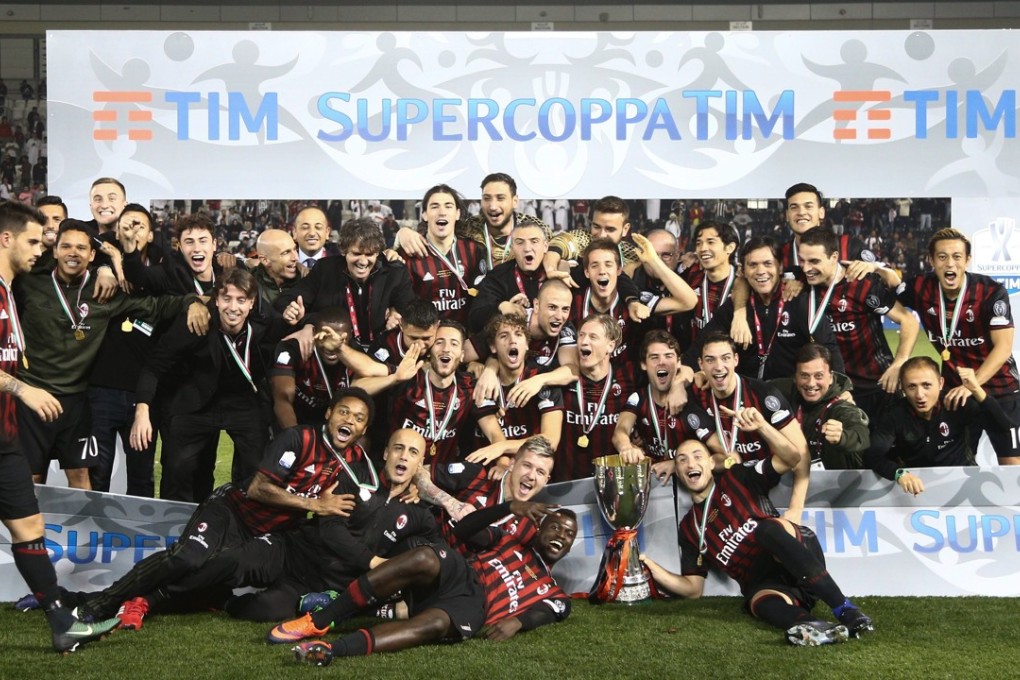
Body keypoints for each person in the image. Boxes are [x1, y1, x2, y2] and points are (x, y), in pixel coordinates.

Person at [50, 388, 375, 627]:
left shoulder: (355, 464)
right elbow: (258, 488)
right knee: (187, 558)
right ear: (330, 412)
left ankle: (140, 602)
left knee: (215, 573)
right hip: (232, 511)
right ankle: (101, 603)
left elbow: (363, 498)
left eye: (359, 418)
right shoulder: (298, 439)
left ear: (363, 430)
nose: (350, 420)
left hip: (272, 533)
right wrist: (313, 504)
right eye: (344, 411)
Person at [113, 428, 435, 625]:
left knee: (263, 610)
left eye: (412, 452)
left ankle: (220, 599)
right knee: (231, 562)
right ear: (385, 452)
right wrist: (373, 562)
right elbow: (330, 530)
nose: (403, 457)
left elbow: (429, 550)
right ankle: (150, 598)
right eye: (398, 448)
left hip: (315, 586)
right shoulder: (356, 478)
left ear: (421, 464)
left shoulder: (418, 511)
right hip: (291, 551)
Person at [0, 201, 120, 652]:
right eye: (34, 241)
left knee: (28, 524)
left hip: (5, 437)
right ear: (6, 239)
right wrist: (21, 389)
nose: (42, 249)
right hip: (10, 418)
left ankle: (60, 622)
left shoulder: (11, 290)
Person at [14, 220, 201, 489]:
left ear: (92, 255)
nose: (73, 253)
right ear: (54, 251)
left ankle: (84, 532)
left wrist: (191, 301)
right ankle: (30, 531)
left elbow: (156, 306)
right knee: (31, 477)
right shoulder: (29, 284)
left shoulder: (105, 292)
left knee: (81, 476)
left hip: (76, 399)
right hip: (33, 395)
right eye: (65, 246)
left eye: (81, 248)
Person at [640, 439, 873, 647]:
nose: (691, 464)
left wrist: (761, 425)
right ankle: (816, 627)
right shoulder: (688, 528)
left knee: (767, 529)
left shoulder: (737, 477)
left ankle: (845, 610)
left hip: (793, 554)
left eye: (697, 456)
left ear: (712, 463)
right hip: (769, 585)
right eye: (682, 460)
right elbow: (692, 589)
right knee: (757, 602)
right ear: (678, 472)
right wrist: (653, 568)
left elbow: (791, 458)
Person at [280, 501, 577, 662]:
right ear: (539, 529)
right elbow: (463, 531)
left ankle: (333, 650)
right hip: (460, 574)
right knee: (424, 556)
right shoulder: (510, 541)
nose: (561, 536)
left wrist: (519, 622)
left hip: (472, 608)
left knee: (431, 626)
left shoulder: (554, 592)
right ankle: (321, 619)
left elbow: (547, 612)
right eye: (555, 527)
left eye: (568, 534)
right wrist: (507, 507)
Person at [129, 268, 288, 501]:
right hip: (195, 402)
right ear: (216, 300)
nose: (233, 308)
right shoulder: (196, 322)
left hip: (243, 402)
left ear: (252, 303)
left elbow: (294, 331)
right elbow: (155, 366)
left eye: (241, 300)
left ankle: (244, 525)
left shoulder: (266, 324)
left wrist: (304, 329)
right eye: (226, 299)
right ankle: (175, 528)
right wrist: (142, 410)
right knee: (178, 468)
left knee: (257, 468)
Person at [896, 228, 1020, 465]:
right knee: (953, 464)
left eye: (956, 257)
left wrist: (972, 384)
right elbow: (889, 288)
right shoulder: (921, 287)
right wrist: (876, 268)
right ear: (931, 260)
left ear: (967, 260)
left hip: (1000, 389)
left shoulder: (990, 292)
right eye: (942, 257)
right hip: (955, 393)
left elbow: (1003, 348)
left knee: (1012, 466)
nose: (949, 263)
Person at [798, 227, 919, 419]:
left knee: (884, 447)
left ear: (834, 257)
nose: (805, 268)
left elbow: (908, 320)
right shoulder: (801, 285)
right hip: (834, 390)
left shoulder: (861, 283)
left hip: (877, 385)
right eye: (801, 260)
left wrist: (899, 362)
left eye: (814, 261)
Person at [684, 236, 844, 381]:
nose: (761, 272)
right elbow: (701, 345)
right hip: (747, 397)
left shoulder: (799, 301)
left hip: (791, 397)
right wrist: (684, 375)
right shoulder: (735, 306)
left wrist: (842, 390)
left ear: (780, 267)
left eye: (768, 264)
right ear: (743, 271)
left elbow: (829, 348)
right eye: (753, 265)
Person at [690, 332, 809, 521]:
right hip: (728, 487)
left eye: (726, 358)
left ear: (736, 360)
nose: (719, 366)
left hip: (766, 476)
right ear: (701, 364)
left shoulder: (763, 393)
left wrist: (796, 507)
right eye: (710, 360)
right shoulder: (696, 398)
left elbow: (799, 453)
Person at [354, 320, 504, 468]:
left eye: (454, 344)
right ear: (429, 351)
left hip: (440, 476)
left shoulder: (469, 386)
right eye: (439, 342)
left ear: (462, 355)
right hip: (398, 469)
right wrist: (393, 379)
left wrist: (503, 463)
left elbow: (493, 432)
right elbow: (356, 387)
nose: (446, 349)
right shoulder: (409, 376)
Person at [867, 358, 1011, 496]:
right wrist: (899, 473)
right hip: (918, 487)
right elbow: (873, 456)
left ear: (941, 383)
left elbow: (1003, 426)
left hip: (963, 479)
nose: (919, 395)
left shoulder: (958, 404)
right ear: (902, 387)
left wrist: (976, 389)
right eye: (912, 386)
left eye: (926, 385)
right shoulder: (895, 415)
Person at [277, 217, 414, 353]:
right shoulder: (325, 269)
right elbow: (285, 301)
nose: (363, 262)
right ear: (343, 251)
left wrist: (398, 316)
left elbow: (410, 312)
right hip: (337, 353)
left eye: (369, 254)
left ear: (377, 253)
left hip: (382, 353)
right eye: (356, 254)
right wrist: (303, 318)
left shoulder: (395, 273)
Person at [417, 434, 557, 552]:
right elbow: (417, 472)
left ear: (546, 480)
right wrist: (450, 502)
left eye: (540, 472)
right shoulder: (477, 475)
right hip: (430, 550)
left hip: (465, 579)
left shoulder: (529, 528)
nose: (532, 476)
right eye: (527, 465)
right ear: (512, 464)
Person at [614, 330, 721, 480]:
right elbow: (621, 430)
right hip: (655, 485)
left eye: (668, 356)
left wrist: (678, 464)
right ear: (644, 364)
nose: (662, 362)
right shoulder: (639, 398)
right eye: (654, 357)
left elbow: (725, 456)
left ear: (678, 362)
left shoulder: (695, 397)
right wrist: (626, 447)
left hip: (691, 486)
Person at [555, 313, 635, 483]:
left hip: (611, 484)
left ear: (610, 346)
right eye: (581, 335)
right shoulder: (562, 379)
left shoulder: (628, 378)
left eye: (593, 337)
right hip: (564, 484)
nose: (584, 342)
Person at [770, 344, 869, 470]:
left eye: (819, 376)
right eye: (804, 376)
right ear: (795, 377)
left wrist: (842, 437)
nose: (811, 383)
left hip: (835, 484)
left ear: (831, 377)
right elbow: (751, 387)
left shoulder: (842, 407)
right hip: (791, 481)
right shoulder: (783, 391)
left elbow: (861, 436)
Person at [398, 185, 485, 327]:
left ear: (457, 214)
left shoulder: (474, 250)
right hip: (427, 338)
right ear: (424, 215)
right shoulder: (409, 253)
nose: (442, 212)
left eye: (448, 206)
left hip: (465, 338)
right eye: (434, 206)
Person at [467, 220, 550, 333]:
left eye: (534, 241)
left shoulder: (555, 272)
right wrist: (501, 307)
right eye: (520, 242)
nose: (527, 248)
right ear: (512, 248)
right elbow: (475, 319)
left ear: (545, 246)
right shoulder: (498, 276)